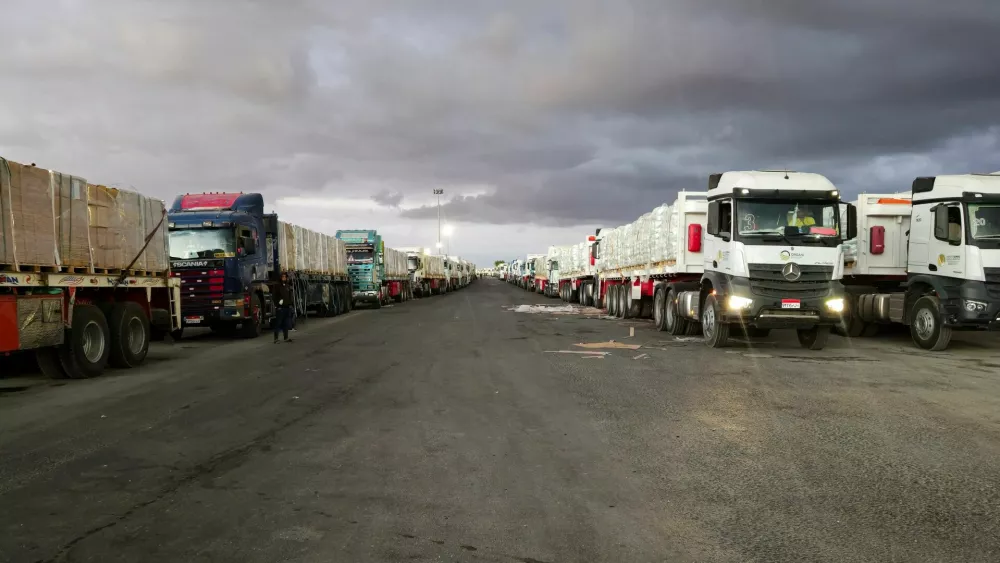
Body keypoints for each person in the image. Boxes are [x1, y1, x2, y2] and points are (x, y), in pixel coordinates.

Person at [273, 274, 293, 343]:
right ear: (280, 278)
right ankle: (276, 339)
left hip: (287, 307)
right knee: (278, 323)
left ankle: (286, 338)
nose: (284, 278)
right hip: (280, 308)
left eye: (285, 277)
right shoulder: (277, 286)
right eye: (283, 277)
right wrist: (277, 306)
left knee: (286, 323)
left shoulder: (287, 286)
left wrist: (290, 304)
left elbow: (290, 296)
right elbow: (274, 297)